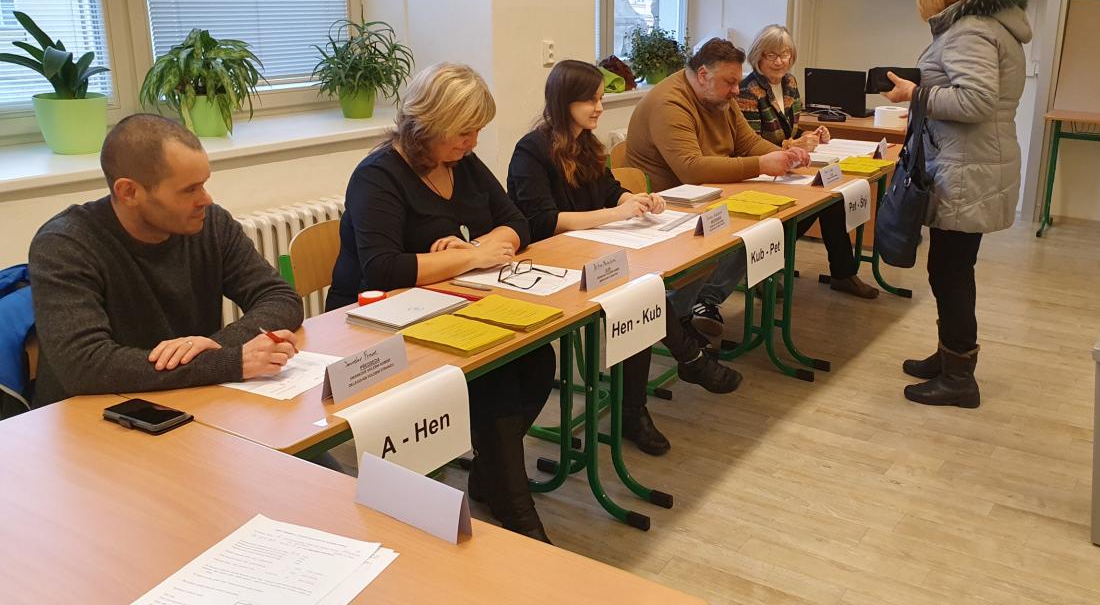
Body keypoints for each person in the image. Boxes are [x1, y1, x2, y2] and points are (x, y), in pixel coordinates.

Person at [327, 63, 555, 543]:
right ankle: (517, 512)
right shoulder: (377, 176)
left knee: (537, 359)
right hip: (373, 319)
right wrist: (470, 256)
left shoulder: (461, 163)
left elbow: (518, 222)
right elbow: (383, 269)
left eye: (477, 131)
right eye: (464, 131)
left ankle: (491, 475)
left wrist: (474, 248)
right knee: (494, 376)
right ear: (428, 123)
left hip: (447, 304)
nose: (473, 142)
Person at [28, 114, 304, 408]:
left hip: (190, 399)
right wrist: (227, 361)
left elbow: (280, 298)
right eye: (189, 190)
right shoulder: (64, 244)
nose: (206, 199)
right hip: (96, 415)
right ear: (129, 192)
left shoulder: (211, 224)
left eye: (203, 184)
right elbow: (84, 365)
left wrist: (216, 348)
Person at [508, 59, 712, 455]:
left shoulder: (586, 144)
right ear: (564, 100)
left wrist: (634, 199)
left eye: (601, 99)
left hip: (591, 254)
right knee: (637, 294)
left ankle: (639, 405)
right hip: (551, 265)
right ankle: (687, 360)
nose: (600, 108)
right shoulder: (531, 150)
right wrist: (615, 214)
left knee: (640, 292)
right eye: (591, 100)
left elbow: (609, 190)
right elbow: (543, 221)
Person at [881, 0, 1031, 409]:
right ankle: (950, 356)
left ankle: (959, 377)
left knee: (950, 273)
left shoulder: (969, 31)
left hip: (967, 168)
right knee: (952, 269)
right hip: (975, 162)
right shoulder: (995, 27)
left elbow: (975, 102)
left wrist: (917, 94)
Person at [625, 38, 809, 383]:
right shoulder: (669, 102)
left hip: (705, 197)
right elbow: (691, 169)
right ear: (703, 75)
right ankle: (679, 312)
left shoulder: (719, 97)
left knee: (762, 226)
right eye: (730, 82)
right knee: (744, 231)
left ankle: (698, 305)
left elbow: (746, 142)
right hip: (667, 206)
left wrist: (781, 155)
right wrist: (761, 164)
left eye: (737, 81)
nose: (737, 90)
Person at [738, 24, 880, 299]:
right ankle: (763, 270)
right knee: (810, 205)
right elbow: (751, 144)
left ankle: (842, 274)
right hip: (762, 172)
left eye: (785, 54)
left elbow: (790, 128)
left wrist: (810, 134)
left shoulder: (789, 83)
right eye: (771, 55)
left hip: (789, 167)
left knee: (831, 198)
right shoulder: (748, 90)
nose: (779, 61)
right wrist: (792, 146)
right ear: (758, 56)